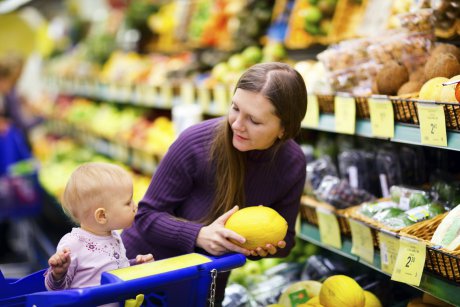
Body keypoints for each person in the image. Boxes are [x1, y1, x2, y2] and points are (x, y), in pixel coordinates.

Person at [121, 62, 308, 305]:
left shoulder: (292, 164)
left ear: (284, 129)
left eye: (254, 120)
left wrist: (260, 247)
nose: (237, 124)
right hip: (146, 274)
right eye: (235, 108)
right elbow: (146, 216)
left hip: (204, 284)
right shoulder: (196, 143)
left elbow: (287, 241)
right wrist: (199, 235)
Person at [44, 162, 153, 293]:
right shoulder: (73, 244)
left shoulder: (114, 235)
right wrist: (58, 274)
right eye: (128, 202)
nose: (135, 206)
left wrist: (134, 265)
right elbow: (55, 291)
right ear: (102, 215)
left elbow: (114, 270)